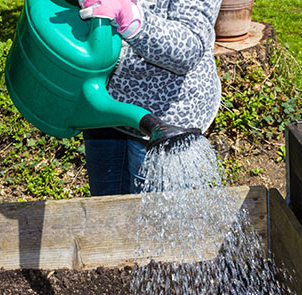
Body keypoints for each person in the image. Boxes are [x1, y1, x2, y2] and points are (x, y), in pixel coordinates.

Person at [79, 0, 222, 196]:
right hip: (106, 105)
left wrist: (130, 18)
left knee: (156, 220)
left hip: (166, 116)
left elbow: (188, 50)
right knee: (106, 212)